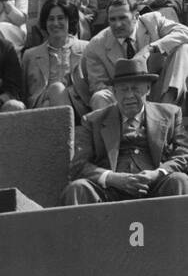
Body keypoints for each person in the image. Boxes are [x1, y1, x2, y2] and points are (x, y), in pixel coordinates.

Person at [62, 57, 188, 201]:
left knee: (179, 180)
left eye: (135, 89)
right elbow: (78, 166)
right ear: (114, 92)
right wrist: (112, 178)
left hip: (156, 189)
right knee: (78, 188)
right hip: (109, 192)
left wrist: (157, 173)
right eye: (123, 89)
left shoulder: (171, 114)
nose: (129, 95)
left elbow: (184, 154)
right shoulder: (92, 121)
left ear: (148, 88)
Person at [84, 0, 188, 111]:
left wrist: (151, 48)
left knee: (183, 49)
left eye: (123, 18)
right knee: (99, 97)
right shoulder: (96, 45)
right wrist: (130, 94)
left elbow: (185, 32)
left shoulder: (152, 21)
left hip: (158, 92)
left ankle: (165, 111)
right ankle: (117, 128)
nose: (117, 24)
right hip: (123, 98)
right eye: (112, 19)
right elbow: (98, 85)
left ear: (136, 16)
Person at [22, 0, 88, 112]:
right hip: (41, 110)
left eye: (61, 18)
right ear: (45, 23)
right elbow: (23, 92)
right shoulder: (30, 55)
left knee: (57, 89)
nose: (55, 23)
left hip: (77, 109)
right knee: (50, 99)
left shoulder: (86, 49)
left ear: (70, 20)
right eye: (51, 19)